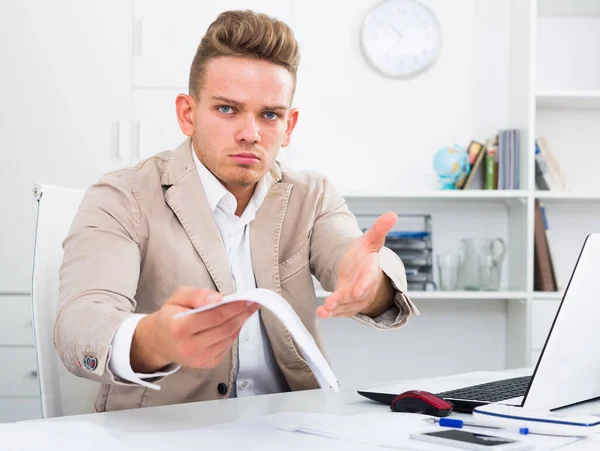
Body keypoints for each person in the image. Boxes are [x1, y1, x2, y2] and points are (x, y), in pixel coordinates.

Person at [54, 9, 418, 413]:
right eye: (227, 109)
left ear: (289, 125)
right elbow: (78, 324)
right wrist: (156, 338)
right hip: (165, 431)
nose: (250, 133)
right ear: (187, 114)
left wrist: (372, 283)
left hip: (293, 429)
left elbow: (353, 254)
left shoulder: (311, 195)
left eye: (270, 115)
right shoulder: (123, 196)